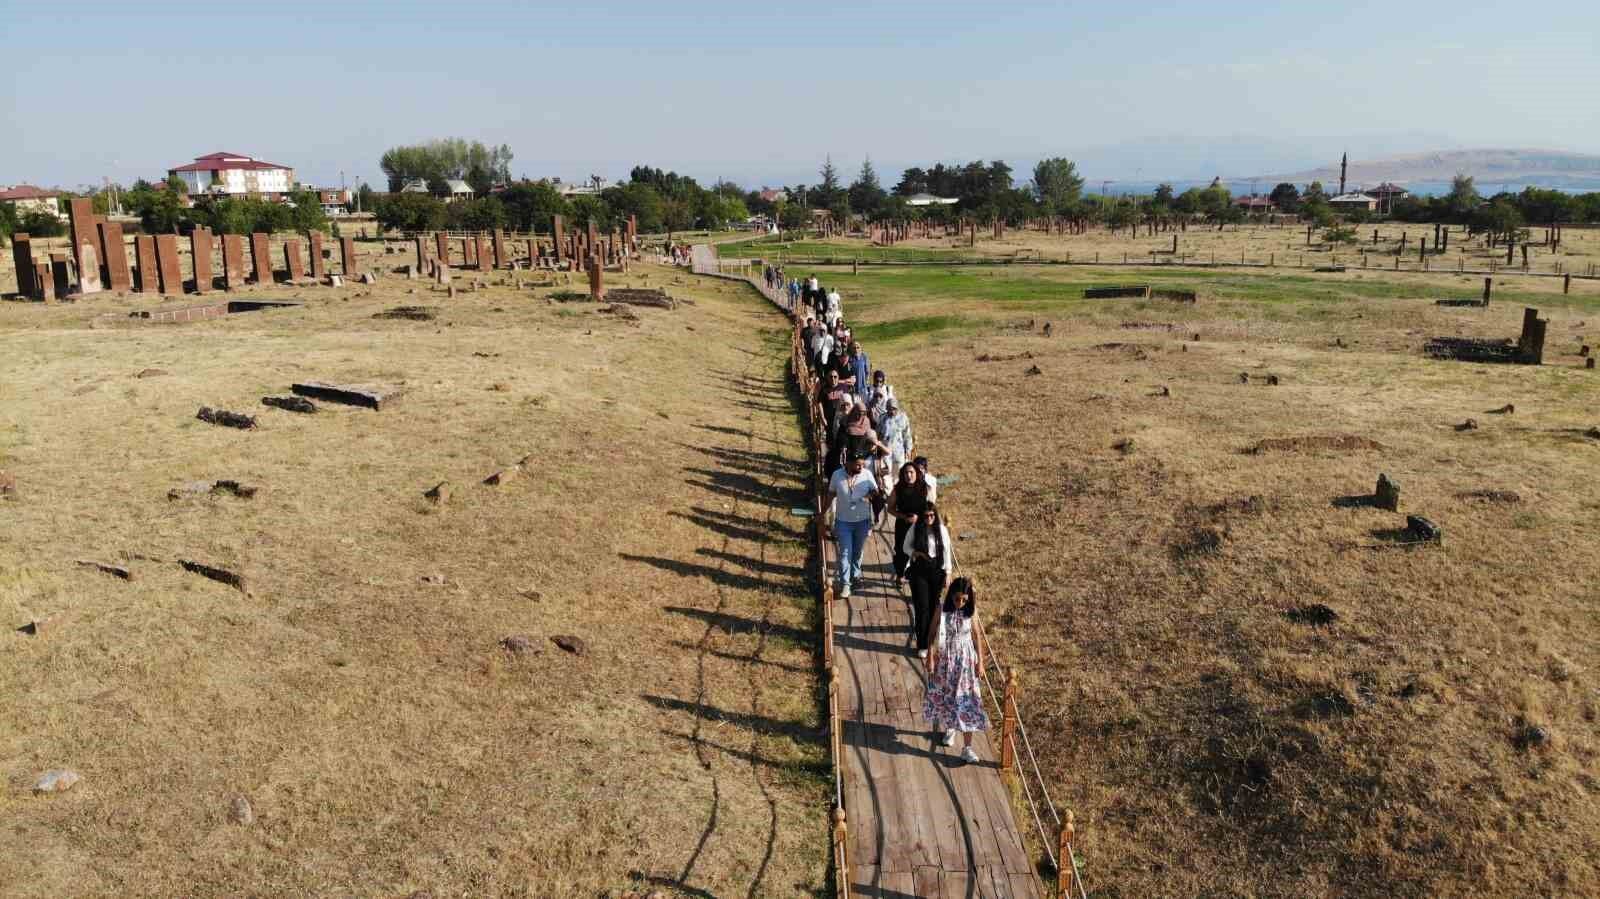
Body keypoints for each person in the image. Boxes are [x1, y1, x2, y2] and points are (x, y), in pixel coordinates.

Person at [924, 576, 989, 763]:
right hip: (947, 660)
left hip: (966, 663)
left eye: (964, 600)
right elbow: (931, 632)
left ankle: (967, 748)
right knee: (948, 696)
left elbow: (977, 636)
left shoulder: (971, 611)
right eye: (957, 598)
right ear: (951, 595)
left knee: (969, 700)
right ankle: (950, 728)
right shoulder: (942, 610)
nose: (960, 603)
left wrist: (981, 663)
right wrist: (930, 655)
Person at [901, 502, 953, 658]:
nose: (929, 518)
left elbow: (946, 551)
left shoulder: (942, 530)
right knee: (922, 607)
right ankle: (922, 644)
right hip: (920, 572)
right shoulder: (916, 528)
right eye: (926, 516)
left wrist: (948, 572)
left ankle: (931, 641)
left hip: (936, 571)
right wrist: (916, 553)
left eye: (932, 515)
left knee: (933, 608)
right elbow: (905, 547)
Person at [829, 453, 880, 598]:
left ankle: (855, 575)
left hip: (862, 521)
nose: (861, 467)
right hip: (843, 521)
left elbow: (876, 492)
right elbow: (830, 494)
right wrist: (822, 514)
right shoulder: (837, 475)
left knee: (857, 551)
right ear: (848, 463)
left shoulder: (867, 474)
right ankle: (845, 583)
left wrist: (869, 496)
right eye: (858, 464)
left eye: (863, 464)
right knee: (845, 553)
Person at [886, 461, 927, 589]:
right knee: (901, 550)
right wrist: (903, 517)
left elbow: (930, 508)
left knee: (920, 550)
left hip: (920, 524)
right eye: (906, 473)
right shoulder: (898, 489)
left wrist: (919, 518)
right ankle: (899, 575)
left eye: (911, 472)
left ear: (916, 474)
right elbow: (890, 508)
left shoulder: (923, 488)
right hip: (903, 525)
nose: (909, 475)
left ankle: (917, 577)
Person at [878, 397, 914, 492]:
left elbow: (907, 435)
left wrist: (908, 449)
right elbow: (878, 435)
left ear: (897, 408)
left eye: (894, 408)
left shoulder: (903, 417)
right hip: (886, 452)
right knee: (887, 475)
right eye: (889, 408)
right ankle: (889, 496)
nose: (892, 410)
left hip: (899, 452)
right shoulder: (882, 418)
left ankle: (899, 494)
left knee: (899, 474)